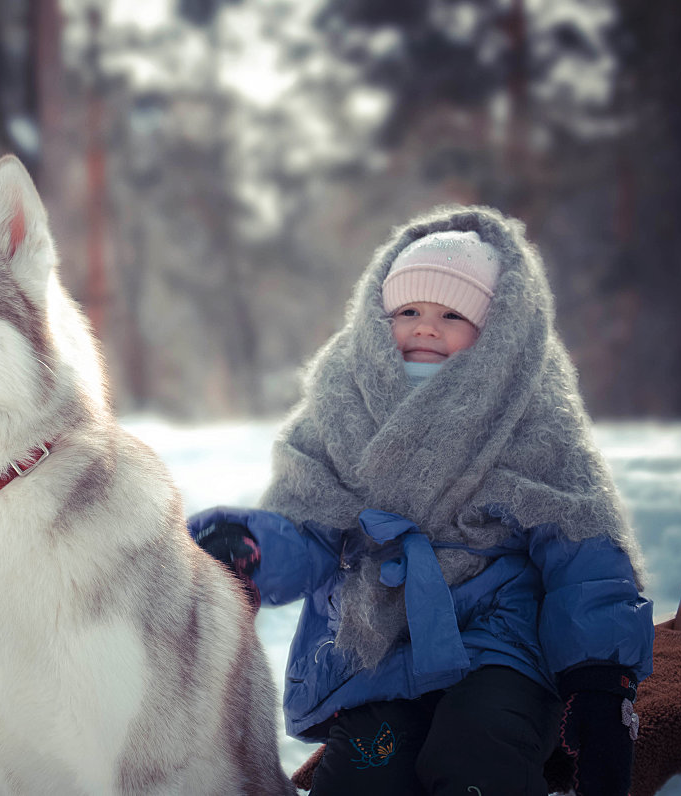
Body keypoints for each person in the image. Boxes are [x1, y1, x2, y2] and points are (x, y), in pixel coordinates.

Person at [189, 206, 654, 796]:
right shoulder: (342, 396)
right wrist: (253, 546)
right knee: (366, 774)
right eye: (408, 311)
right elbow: (307, 526)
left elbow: (581, 541)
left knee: (476, 758)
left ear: (496, 328)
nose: (425, 327)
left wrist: (599, 676)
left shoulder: (530, 404)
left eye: (451, 314)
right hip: (378, 644)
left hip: (500, 639)